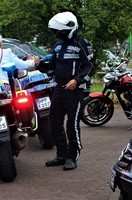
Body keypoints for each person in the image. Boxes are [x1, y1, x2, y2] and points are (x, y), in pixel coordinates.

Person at [42, 11, 94, 170]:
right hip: (58, 88)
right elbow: (52, 66)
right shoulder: (57, 46)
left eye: (61, 31)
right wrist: (38, 64)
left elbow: (90, 66)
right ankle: (61, 154)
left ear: (70, 28)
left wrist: (77, 81)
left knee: (71, 125)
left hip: (75, 90)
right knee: (54, 122)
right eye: (57, 31)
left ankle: (72, 157)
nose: (59, 33)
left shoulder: (82, 44)